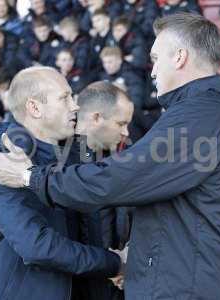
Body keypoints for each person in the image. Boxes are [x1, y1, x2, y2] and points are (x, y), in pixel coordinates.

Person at [0, 13, 220, 300]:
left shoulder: (199, 117)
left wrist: (29, 177)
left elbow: (120, 178)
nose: (153, 71)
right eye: (65, 98)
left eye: (156, 59)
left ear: (180, 57)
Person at [0, 67, 122, 300]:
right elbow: (37, 246)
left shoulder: (77, 153)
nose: (75, 105)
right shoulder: (4, 160)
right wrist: (114, 263)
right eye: (64, 98)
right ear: (34, 107)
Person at [75, 81, 134, 300]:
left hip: (117, 275)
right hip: (85, 278)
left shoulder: (124, 154)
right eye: (121, 123)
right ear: (97, 117)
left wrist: (123, 260)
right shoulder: (60, 163)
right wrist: (109, 265)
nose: (126, 131)